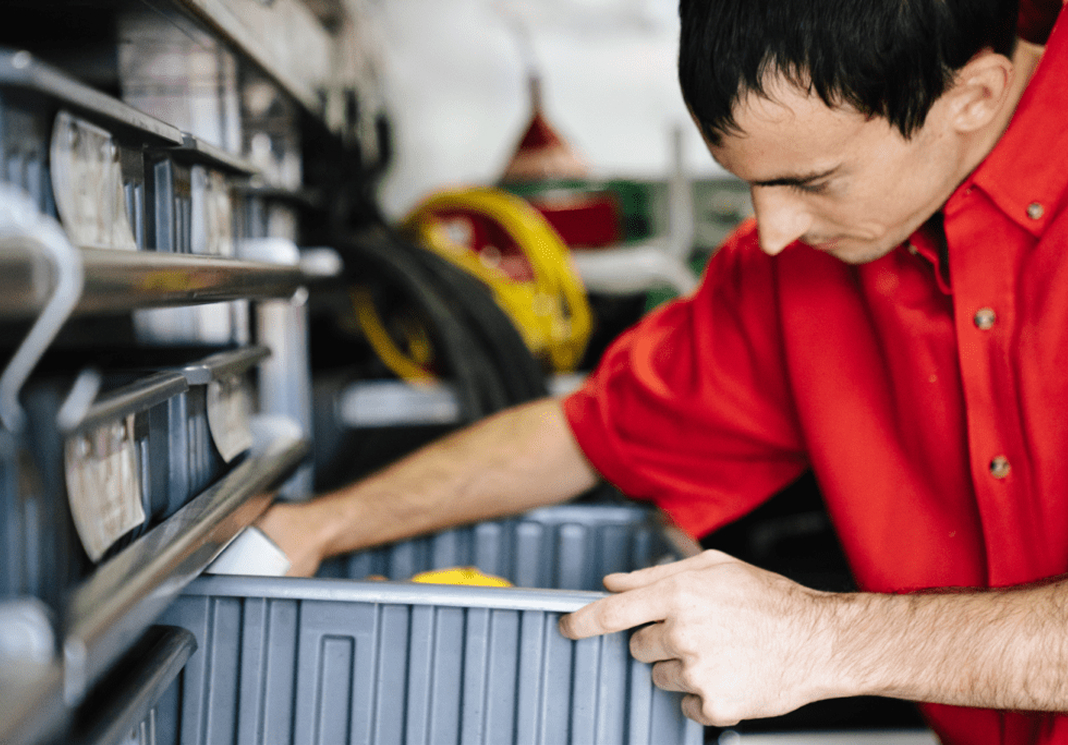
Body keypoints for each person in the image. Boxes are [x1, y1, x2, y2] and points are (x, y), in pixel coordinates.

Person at [257, 1, 1068, 742]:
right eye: (751, 184)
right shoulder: (793, 272)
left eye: (812, 182)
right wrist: (320, 526)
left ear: (974, 97)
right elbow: (588, 435)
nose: (775, 231)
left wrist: (819, 639)